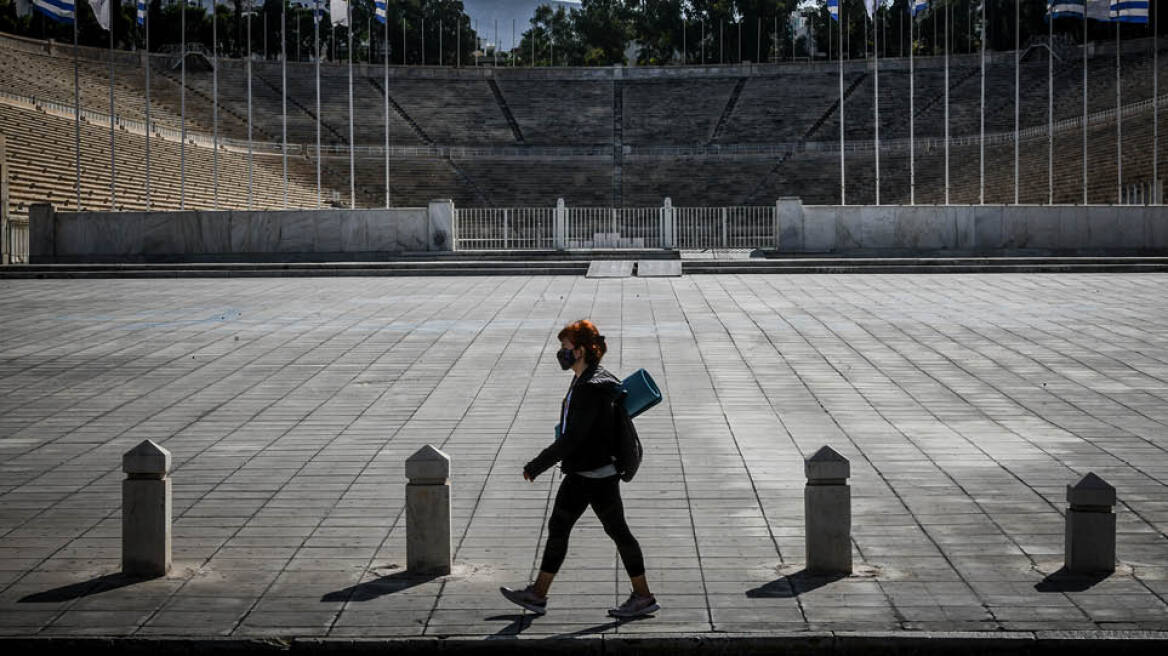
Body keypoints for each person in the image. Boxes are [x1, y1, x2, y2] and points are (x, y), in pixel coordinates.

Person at [500, 320, 659, 619]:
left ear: (582, 350)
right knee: (583, 530)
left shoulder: (589, 387)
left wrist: (536, 465)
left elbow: (572, 438)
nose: (561, 354)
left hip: (590, 473)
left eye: (565, 349)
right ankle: (540, 594)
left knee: (603, 532)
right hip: (594, 471)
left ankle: (641, 596)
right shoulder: (589, 378)